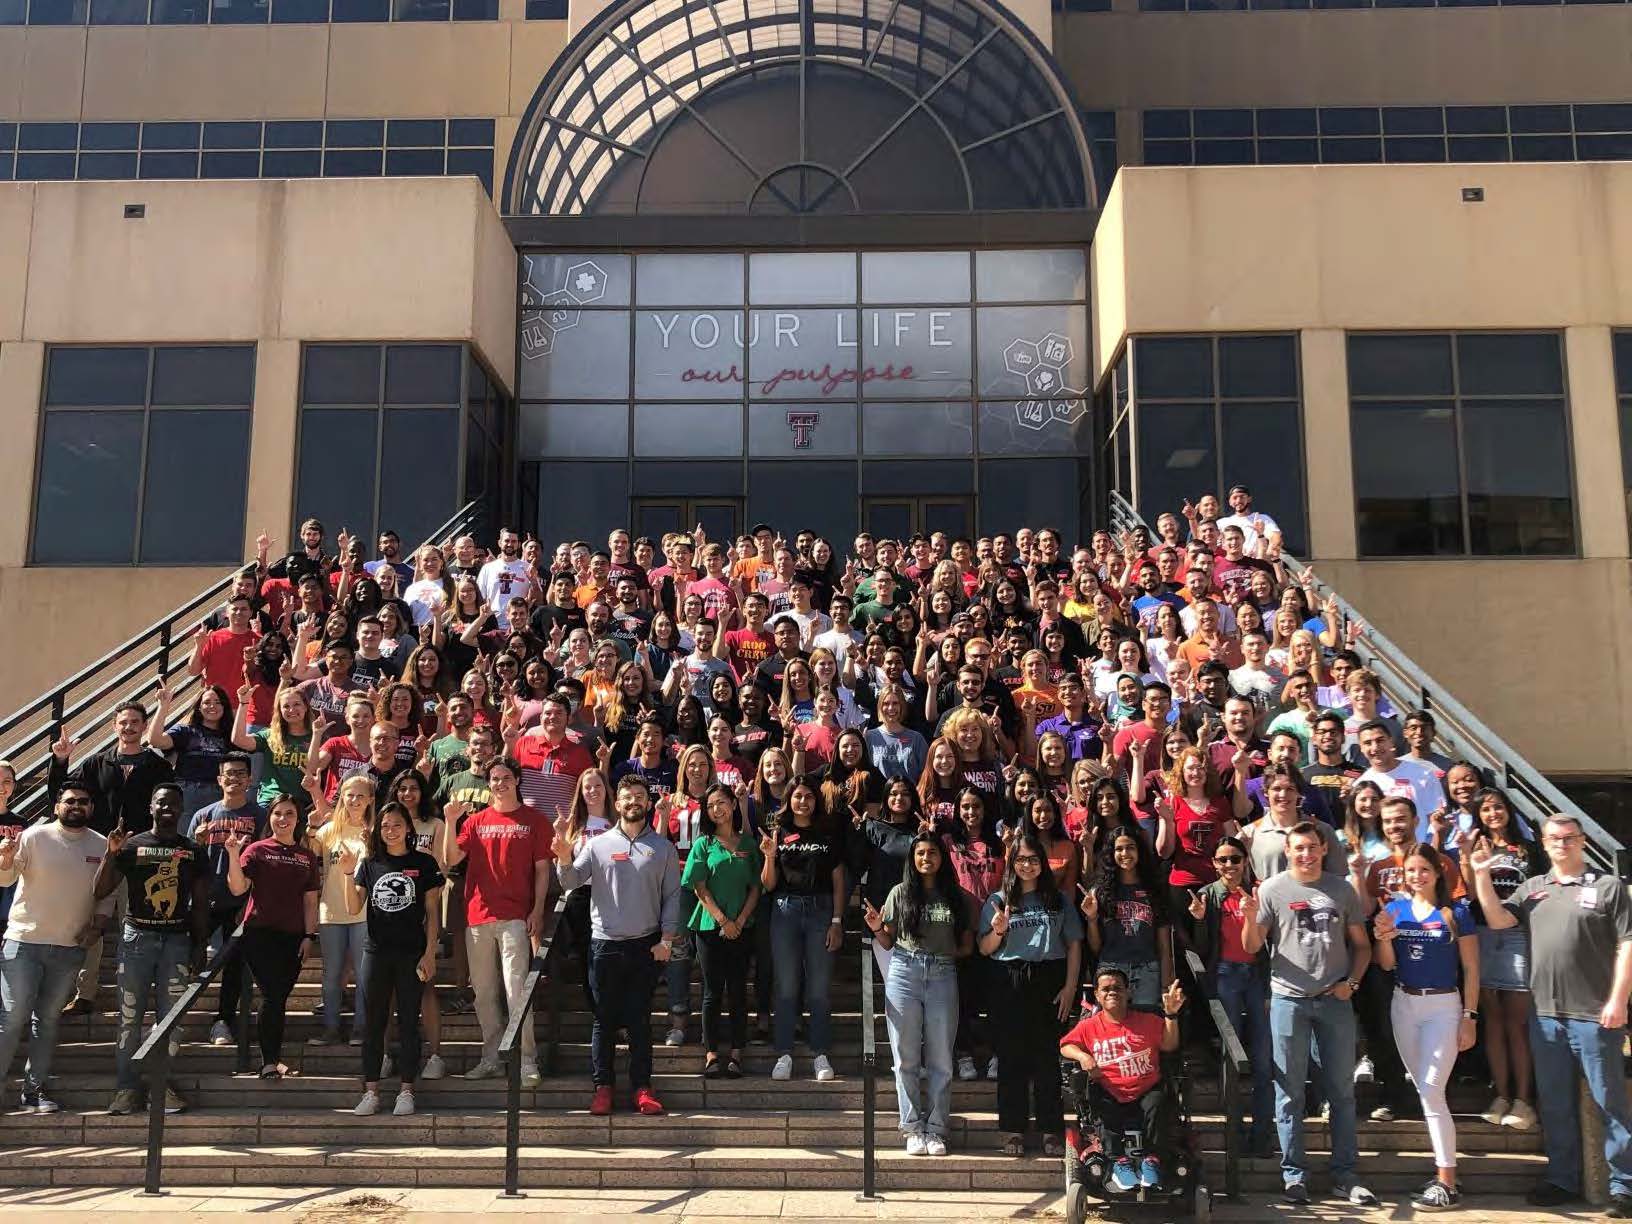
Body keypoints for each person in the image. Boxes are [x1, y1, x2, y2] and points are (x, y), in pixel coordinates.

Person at [1470, 814, 1632, 1214]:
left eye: (1569, 837)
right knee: (1555, 1102)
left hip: (1595, 1015)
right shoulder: (1533, 889)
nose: (1562, 844)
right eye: (1554, 839)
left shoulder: (1608, 887)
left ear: (1582, 841)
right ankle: (1562, 1178)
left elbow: (1628, 945)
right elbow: (1497, 919)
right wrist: (1479, 876)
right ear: (1543, 844)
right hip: (1545, 1016)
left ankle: (1623, 1186)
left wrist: (1618, 1001)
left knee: (1609, 1101)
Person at [1241, 821, 1378, 1207]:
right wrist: (1251, 915)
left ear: (1322, 849)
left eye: (1312, 847)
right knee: (1289, 1093)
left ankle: (1345, 1175)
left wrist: (1350, 984)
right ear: (1288, 851)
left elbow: (1362, 948)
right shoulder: (1271, 890)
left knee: (1342, 1092)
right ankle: (1294, 1175)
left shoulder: (1342, 889)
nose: (1305, 854)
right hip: (1288, 999)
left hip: (1334, 1000)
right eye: (1298, 848)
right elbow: (1252, 946)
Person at [553, 774, 682, 1115]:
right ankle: (603, 1087)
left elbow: (672, 896)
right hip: (604, 945)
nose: (633, 801)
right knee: (604, 1020)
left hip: (646, 945)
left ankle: (642, 1087)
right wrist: (564, 856)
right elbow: (570, 881)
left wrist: (667, 939)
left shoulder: (664, 848)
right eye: (627, 796)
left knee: (640, 1019)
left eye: (640, 795)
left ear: (648, 802)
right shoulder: (597, 844)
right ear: (618, 803)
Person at [1371, 841, 1479, 1211]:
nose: (1417, 876)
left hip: (1444, 1005)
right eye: (1411, 871)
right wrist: (1382, 936)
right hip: (1404, 1003)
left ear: (1438, 873)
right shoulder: (1396, 909)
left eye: (1424, 870)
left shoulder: (1456, 912)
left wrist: (1470, 1016)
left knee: (1432, 1090)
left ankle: (1446, 1179)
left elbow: (1472, 970)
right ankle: (1447, 1175)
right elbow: (1386, 964)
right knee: (1426, 1092)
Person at [94, 783, 210, 1115]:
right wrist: (111, 853)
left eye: (174, 803)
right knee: (130, 1018)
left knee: (170, 1021)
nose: (167, 808)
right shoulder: (132, 845)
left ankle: (161, 1087)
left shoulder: (193, 850)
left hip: (177, 942)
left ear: (182, 808)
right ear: (151, 807)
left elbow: (201, 903)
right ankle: (127, 1088)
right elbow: (100, 890)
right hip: (137, 940)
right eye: (161, 803)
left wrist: (200, 944)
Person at [0, 782, 115, 1113]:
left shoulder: (100, 844)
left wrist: (98, 926)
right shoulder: (34, 836)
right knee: (12, 1017)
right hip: (23, 942)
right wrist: (5, 859)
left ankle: (33, 1091)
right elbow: (5, 879)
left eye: (83, 801)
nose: (76, 805)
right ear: (57, 806)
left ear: (91, 808)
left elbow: (105, 893)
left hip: (68, 948)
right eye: (69, 801)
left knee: (47, 1020)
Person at [444, 756, 554, 1086]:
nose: (500, 783)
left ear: (517, 781)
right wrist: (450, 822)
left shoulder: (534, 820)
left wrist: (536, 911)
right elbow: (450, 859)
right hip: (478, 917)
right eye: (494, 778)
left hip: (516, 918)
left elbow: (542, 871)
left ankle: (526, 1061)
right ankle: (491, 1057)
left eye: (506, 777)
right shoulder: (475, 821)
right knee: (484, 993)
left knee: (516, 990)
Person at [863, 832, 971, 1157]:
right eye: (920, 853)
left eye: (933, 852)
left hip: (942, 973)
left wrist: (946, 953)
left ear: (942, 857)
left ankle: (936, 1129)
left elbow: (966, 943)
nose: (926, 858)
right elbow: (887, 941)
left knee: (940, 1058)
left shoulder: (955, 895)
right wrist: (877, 927)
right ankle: (912, 1128)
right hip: (904, 971)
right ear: (912, 858)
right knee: (905, 1057)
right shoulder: (899, 893)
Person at [978, 831, 1083, 1158]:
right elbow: (984, 949)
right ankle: (1012, 1130)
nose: (1027, 865)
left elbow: (1074, 944)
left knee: (1047, 1058)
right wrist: (998, 931)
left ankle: (1051, 1129)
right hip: (1009, 978)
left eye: (1033, 859)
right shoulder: (998, 900)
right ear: (1012, 863)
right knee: (1011, 1058)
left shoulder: (1059, 900)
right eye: (1021, 859)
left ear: (1042, 863)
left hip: (1049, 978)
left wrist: (1069, 987)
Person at [339, 801, 444, 1117]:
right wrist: (347, 871)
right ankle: (371, 1092)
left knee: (410, 1022)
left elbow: (432, 912)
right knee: (373, 1024)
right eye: (385, 826)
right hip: (376, 951)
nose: (391, 830)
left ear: (408, 828)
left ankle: (406, 1091)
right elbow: (354, 906)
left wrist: (429, 952)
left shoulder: (423, 863)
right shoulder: (369, 863)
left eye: (397, 824)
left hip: (411, 952)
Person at [1458, 787, 1541, 1132]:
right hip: (1483, 933)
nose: (1493, 814)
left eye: (1498, 807)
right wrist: (1466, 856)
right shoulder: (1479, 847)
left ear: (1508, 810)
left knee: (1517, 1023)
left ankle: (1524, 1099)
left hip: (1519, 933)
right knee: (1492, 1021)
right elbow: (1471, 892)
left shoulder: (1529, 849)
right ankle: (1502, 1094)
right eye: (1486, 809)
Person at [1060, 969, 1188, 1191]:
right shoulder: (1089, 1026)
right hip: (1109, 1088)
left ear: (1128, 992)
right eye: (1106, 989)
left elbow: (1169, 1045)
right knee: (1100, 1103)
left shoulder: (1148, 1020)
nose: (1112, 992)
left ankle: (1152, 1161)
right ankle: (1119, 1164)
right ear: (1097, 996)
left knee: (1159, 1103)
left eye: (1117, 988)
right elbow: (1065, 1045)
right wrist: (1083, 1056)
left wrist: (1171, 1015)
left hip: (1146, 1087)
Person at [224, 793, 322, 1080]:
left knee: (278, 998)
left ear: (298, 819)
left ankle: (273, 1059)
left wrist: (309, 936)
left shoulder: (306, 857)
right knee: (272, 995)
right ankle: (269, 1061)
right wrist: (232, 854)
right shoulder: (256, 850)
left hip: (293, 937)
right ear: (270, 817)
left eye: (289, 813)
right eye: (278, 813)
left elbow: (311, 901)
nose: (283, 819)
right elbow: (238, 888)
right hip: (259, 933)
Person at [1187, 834, 1273, 1157]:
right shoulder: (1209, 896)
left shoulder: (1259, 891)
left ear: (1245, 861)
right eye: (1222, 860)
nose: (1229, 866)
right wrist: (1197, 921)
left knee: (1264, 1060)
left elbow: (1272, 939)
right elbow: (1202, 947)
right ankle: (1235, 1137)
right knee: (1231, 1059)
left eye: (1235, 859)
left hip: (1258, 978)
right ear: (1214, 864)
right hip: (1225, 975)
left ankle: (1262, 1137)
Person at [759, 776, 845, 1083]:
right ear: (789, 800)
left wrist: (837, 921)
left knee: (819, 989)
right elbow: (768, 884)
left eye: (808, 796)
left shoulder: (827, 832)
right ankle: (784, 1054)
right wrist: (769, 856)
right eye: (797, 796)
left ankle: (820, 1053)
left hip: (821, 911)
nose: (803, 801)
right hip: (785, 910)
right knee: (786, 987)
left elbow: (838, 881)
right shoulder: (779, 832)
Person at [681, 783, 762, 1079]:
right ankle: (712, 1053)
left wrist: (738, 921)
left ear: (732, 805)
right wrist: (722, 921)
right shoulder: (704, 844)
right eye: (712, 805)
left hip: (743, 927)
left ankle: (737, 1054)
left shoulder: (748, 845)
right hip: (708, 927)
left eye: (722, 803)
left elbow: (756, 886)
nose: (717, 809)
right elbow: (699, 887)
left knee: (739, 990)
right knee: (712, 992)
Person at [185, 752, 266, 1046]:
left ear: (250, 779)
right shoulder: (203, 815)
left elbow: (263, 863)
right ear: (219, 779)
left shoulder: (260, 815)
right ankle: (170, 1018)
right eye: (228, 774)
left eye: (240, 773)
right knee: (188, 957)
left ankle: (224, 1020)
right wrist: (198, 841)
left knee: (234, 964)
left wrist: (252, 899)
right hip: (206, 900)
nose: (234, 779)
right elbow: (188, 862)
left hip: (241, 900)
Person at [309, 774, 375, 1046]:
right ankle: (331, 1028)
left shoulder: (375, 832)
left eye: (361, 795)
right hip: (331, 911)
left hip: (364, 913)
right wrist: (311, 829)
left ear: (370, 799)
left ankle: (361, 1029)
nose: (355, 800)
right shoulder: (328, 831)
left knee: (363, 974)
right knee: (332, 973)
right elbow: (306, 856)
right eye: (350, 794)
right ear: (342, 797)